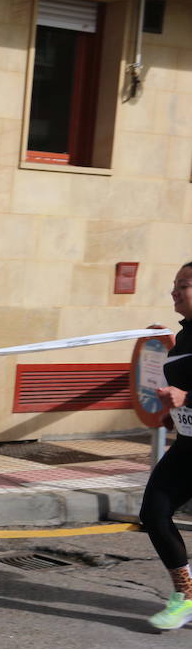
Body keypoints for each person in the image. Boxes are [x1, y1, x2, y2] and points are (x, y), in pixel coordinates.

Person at [141, 261, 192, 630]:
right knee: (154, 512)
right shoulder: (185, 336)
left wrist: (186, 396)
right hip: (188, 444)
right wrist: (172, 411)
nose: (175, 291)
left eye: (185, 285)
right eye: (174, 284)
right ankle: (185, 596)